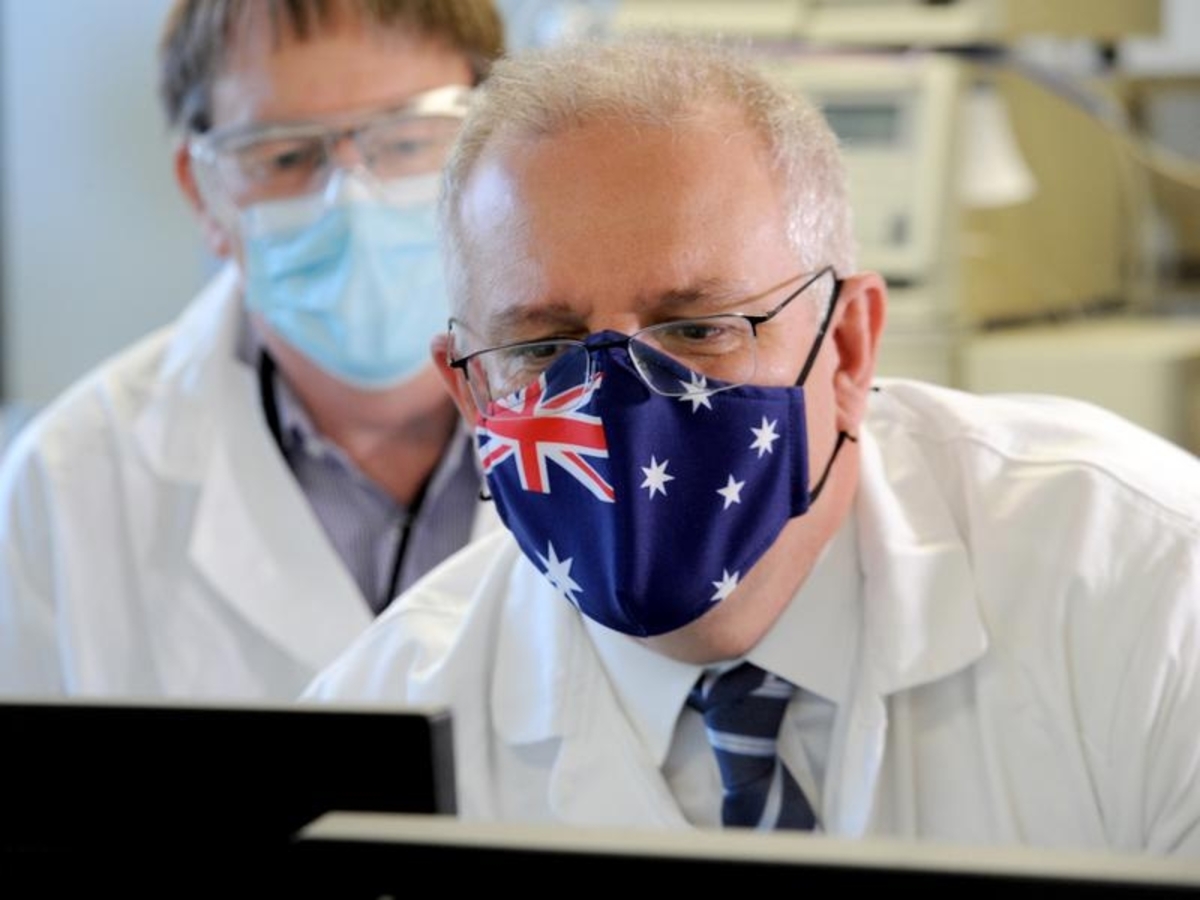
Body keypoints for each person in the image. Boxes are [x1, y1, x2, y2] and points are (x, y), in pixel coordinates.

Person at [303, 35, 1200, 854]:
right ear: (470, 393)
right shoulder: (384, 724)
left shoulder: (1148, 589)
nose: (620, 401)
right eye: (543, 348)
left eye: (698, 329)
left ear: (848, 346)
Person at [0, 0, 505, 699]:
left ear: (500, 144)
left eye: (409, 139)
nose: (352, 201)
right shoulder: (67, 485)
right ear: (204, 193)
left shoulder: (620, 423)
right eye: (286, 155)